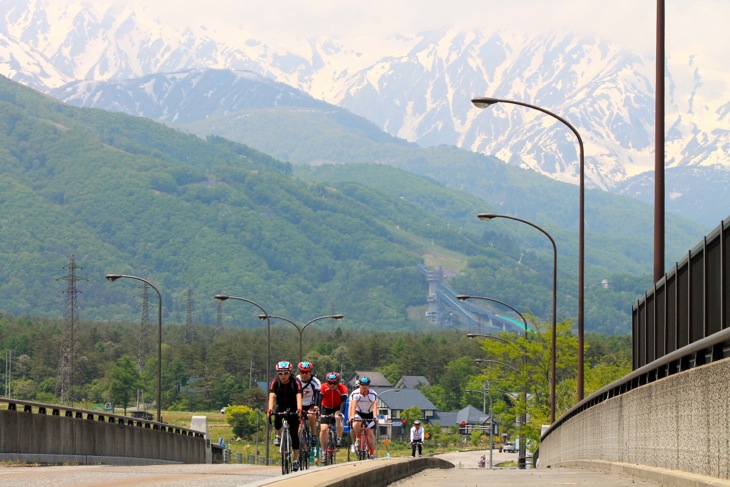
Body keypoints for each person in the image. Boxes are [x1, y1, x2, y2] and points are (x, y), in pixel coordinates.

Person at [266, 361, 303, 471]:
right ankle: (278, 435)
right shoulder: (275, 382)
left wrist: (299, 409)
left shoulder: (295, 382)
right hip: (281, 405)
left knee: (294, 433)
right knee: (276, 418)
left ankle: (296, 460)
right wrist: (269, 409)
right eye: (280, 373)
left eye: (285, 373)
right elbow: (272, 396)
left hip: (293, 406)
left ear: (290, 373)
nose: (283, 376)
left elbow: (299, 395)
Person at [348, 376, 378, 459]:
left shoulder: (373, 394)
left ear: (369, 386)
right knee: (356, 422)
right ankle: (357, 439)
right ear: (359, 385)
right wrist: (351, 417)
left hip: (369, 414)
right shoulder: (355, 394)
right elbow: (353, 406)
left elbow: (375, 405)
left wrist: (375, 416)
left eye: (366, 385)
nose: (364, 387)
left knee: (370, 433)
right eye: (362, 385)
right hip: (359, 412)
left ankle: (372, 453)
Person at [318, 371, 348, 456]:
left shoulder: (342, 388)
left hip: (337, 407)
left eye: (334, 383)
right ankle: (323, 452)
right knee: (323, 429)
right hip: (325, 408)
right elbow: (319, 400)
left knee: (338, 417)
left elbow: (343, 402)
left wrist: (341, 413)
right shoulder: (323, 387)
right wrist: (318, 411)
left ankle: (339, 438)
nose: (332, 385)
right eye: (330, 383)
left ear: (338, 382)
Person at [296, 361, 320, 446]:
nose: (304, 374)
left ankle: (313, 435)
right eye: (302, 372)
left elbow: (317, 394)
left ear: (310, 372)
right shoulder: (296, 380)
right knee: (297, 426)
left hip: (310, 404)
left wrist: (316, 406)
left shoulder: (315, 381)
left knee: (310, 415)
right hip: (299, 405)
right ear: (299, 372)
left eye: (307, 372)